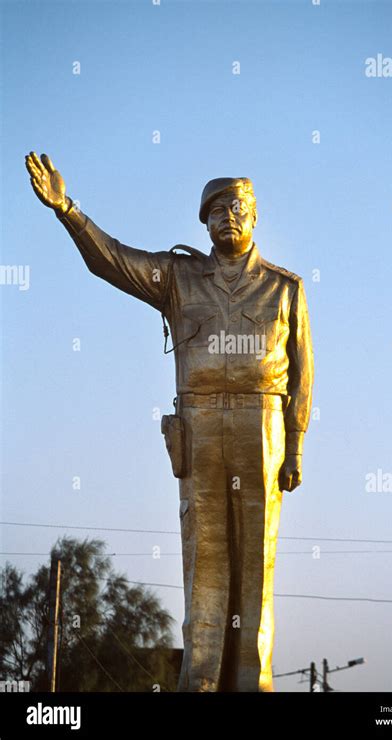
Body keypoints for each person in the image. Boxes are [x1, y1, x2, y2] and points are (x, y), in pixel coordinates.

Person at [25, 152, 314, 692]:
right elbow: (112, 260)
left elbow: (303, 373)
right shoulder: (178, 278)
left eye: (240, 206)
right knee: (204, 559)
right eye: (217, 209)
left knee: (256, 563)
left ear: (256, 218)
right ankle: (199, 681)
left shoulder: (285, 289)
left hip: (262, 425)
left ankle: (254, 681)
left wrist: (294, 445)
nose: (229, 215)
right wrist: (67, 209)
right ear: (202, 222)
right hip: (199, 426)